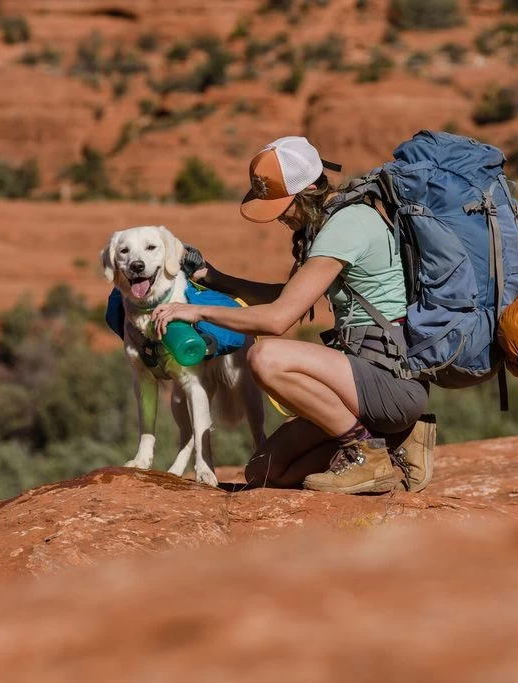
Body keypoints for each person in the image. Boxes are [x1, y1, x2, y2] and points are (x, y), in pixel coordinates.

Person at [152, 136, 430, 494]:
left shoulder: (347, 225)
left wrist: (195, 311)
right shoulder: (328, 223)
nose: (280, 217)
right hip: (358, 379)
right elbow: (287, 296)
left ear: (310, 189)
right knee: (264, 471)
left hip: (388, 379)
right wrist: (214, 277)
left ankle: (365, 451)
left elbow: (277, 320)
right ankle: (396, 442)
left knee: (265, 357)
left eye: (283, 206)